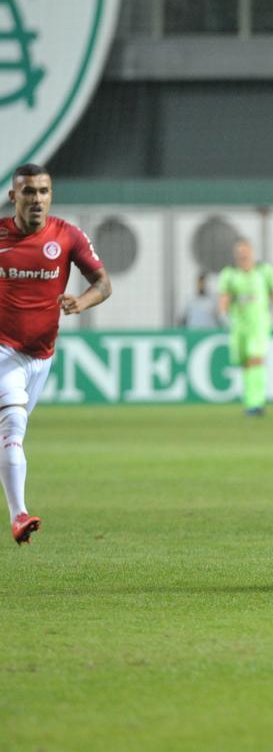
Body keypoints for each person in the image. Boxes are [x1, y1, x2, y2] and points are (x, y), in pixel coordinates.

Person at [0, 164, 112, 544]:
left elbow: (103, 282)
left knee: (11, 433)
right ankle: (19, 516)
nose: (37, 199)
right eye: (29, 192)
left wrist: (82, 301)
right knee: (13, 429)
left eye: (44, 191)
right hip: (3, 351)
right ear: (14, 196)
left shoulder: (66, 235)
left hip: (41, 356)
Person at [218, 239, 273, 416]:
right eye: (239, 253)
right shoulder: (229, 275)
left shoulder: (264, 271)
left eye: (245, 252)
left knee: (256, 358)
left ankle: (257, 402)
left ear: (252, 253)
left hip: (259, 323)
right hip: (239, 325)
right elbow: (224, 296)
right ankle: (250, 400)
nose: (243, 255)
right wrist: (223, 314)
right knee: (245, 362)